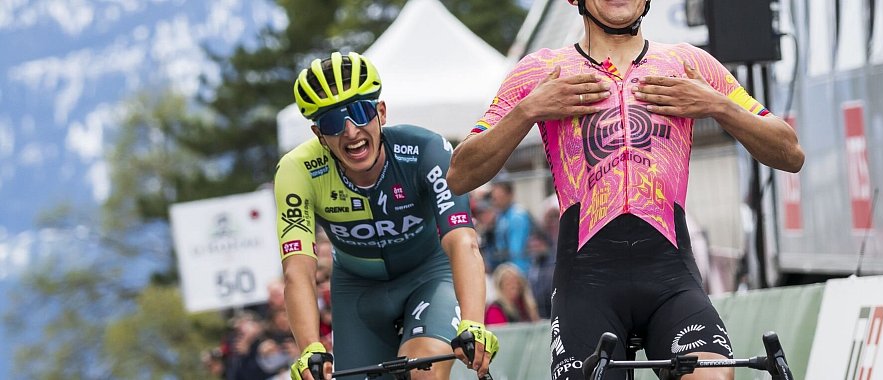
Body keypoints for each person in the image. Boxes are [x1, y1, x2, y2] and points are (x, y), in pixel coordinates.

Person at [446, 0, 804, 379]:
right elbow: (460, 174)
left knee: (714, 376)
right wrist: (528, 110)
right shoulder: (542, 71)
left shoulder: (688, 64)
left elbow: (791, 153)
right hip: (585, 287)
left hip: (671, 279)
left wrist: (717, 105)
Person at [275, 51, 498, 380]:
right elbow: (298, 269)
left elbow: (463, 241)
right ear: (318, 134)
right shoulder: (298, 171)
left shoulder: (425, 149)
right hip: (357, 291)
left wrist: (474, 323)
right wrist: (310, 346)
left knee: (421, 372)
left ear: (381, 111)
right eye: (333, 122)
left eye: (360, 112)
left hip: (429, 276)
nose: (350, 131)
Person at [488, 182, 532, 274]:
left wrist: (514, 272)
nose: (495, 200)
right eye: (494, 197)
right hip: (505, 266)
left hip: (519, 268)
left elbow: (516, 250)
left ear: (509, 195)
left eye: (499, 196)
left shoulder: (517, 216)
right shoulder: (501, 215)